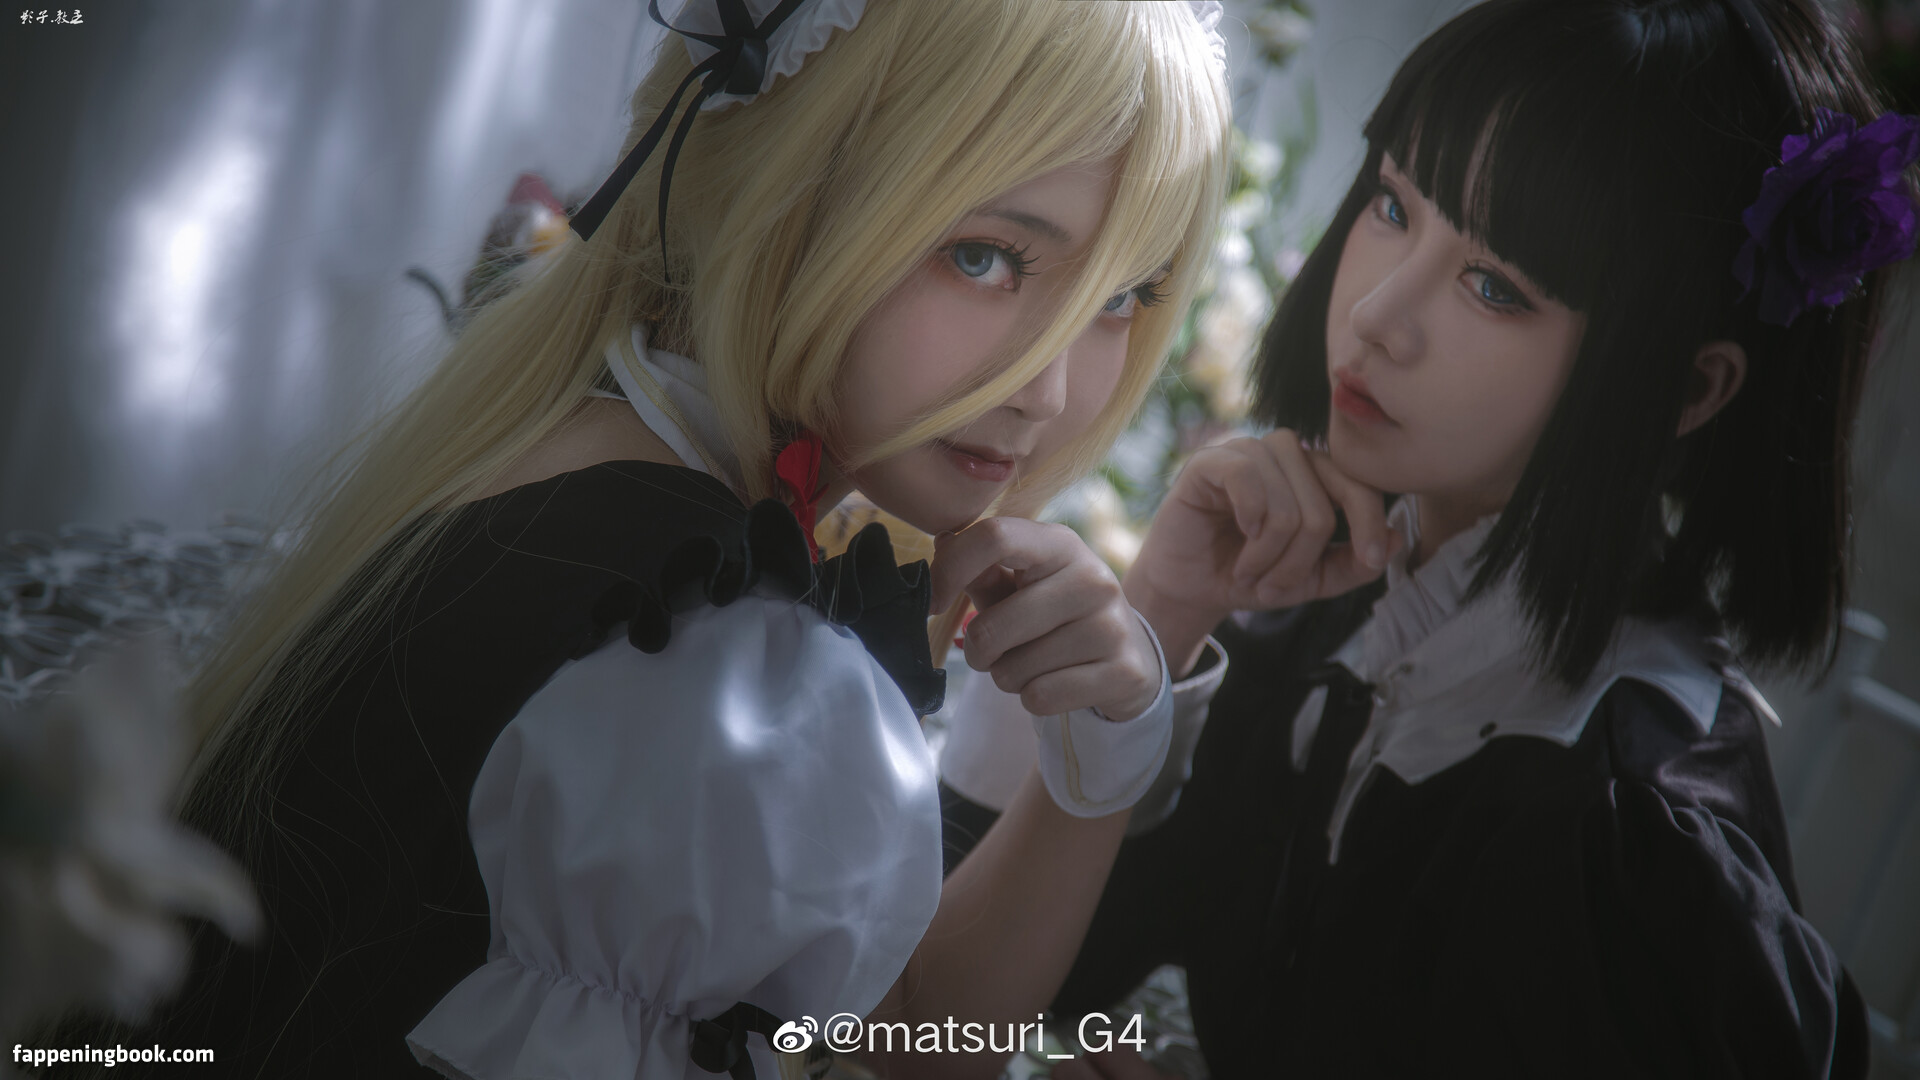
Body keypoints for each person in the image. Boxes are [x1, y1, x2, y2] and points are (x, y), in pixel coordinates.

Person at [64, 2, 1232, 1077]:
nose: (1050, 391)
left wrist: (1104, 749)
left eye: (1121, 296)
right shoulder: (695, 659)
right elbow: (914, 1044)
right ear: (790, 190)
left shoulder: (590, 441)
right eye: (988, 258)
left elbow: (908, 1021)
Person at [936, 0, 1918, 1076]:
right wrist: (1163, 615)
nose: (1375, 315)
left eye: (1495, 287)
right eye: (1394, 205)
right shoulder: (1336, 618)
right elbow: (953, 1015)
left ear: (1685, 389)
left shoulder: (1640, 838)